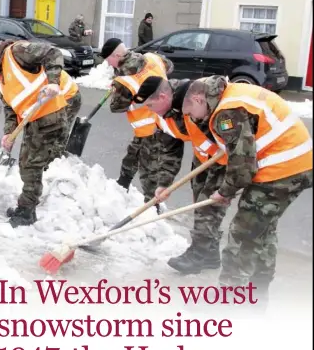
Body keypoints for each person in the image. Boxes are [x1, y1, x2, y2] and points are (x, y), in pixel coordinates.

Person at [178, 77, 312, 303]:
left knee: (242, 234)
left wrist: (225, 192)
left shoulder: (226, 114)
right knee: (262, 231)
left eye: (191, 111)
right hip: (297, 163)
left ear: (199, 99)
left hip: (281, 169)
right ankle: (257, 293)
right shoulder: (233, 92)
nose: (192, 118)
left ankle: (231, 301)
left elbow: (243, 167)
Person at [133, 75, 228, 275]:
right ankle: (210, 254)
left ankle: (198, 254)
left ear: (163, 97)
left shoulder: (191, 98)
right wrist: (164, 183)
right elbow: (170, 149)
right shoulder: (162, 115)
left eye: (151, 105)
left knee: (208, 205)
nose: (149, 110)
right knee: (200, 201)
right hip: (203, 158)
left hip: (224, 159)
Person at [0, 40, 69, 228]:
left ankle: (26, 212)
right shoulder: (0, 79)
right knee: (29, 164)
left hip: (49, 117)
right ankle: (27, 209)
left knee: (30, 166)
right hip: (34, 122)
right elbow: (10, 109)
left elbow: (53, 52)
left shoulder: (16, 52)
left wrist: (53, 83)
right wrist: (9, 134)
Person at [100, 37, 184, 211]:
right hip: (162, 116)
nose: (109, 65)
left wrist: (118, 90)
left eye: (109, 60)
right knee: (132, 156)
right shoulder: (152, 58)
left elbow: (116, 107)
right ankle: (121, 188)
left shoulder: (124, 78)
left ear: (116, 55)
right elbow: (169, 66)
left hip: (150, 127)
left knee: (149, 172)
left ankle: (152, 208)